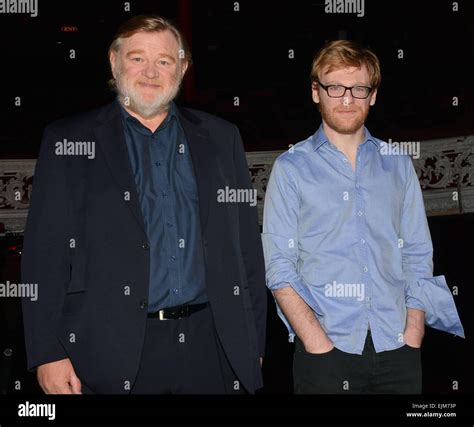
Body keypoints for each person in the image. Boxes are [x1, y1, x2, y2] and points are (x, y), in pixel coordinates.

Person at [21, 14, 266, 394]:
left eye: (165, 61)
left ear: (182, 68)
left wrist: (252, 343)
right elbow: (44, 255)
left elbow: (247, 251)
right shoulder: (67, 141)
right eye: (137, 58)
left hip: (212, 347)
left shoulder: (221, 138)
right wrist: (47, 352)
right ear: (114, 61)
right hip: (107, 350)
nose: (151, 72)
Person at [262, 39, 464, 394]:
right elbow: (279, 266)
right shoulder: (291, 168)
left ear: (372, 95)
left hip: (398, 348)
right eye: (334, 87)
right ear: (315, 92)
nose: (346, 99)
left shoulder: (398, 164)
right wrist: (316, 343)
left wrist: (414, 330)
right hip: (325, 351)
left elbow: (417, 253)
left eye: (358, 88)